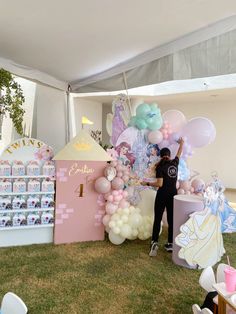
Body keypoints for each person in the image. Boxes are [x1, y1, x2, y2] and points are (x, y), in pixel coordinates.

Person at [141, 138, 184, 256]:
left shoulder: (160, 166)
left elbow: (159, 184)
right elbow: (179, 153)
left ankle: (154, 243)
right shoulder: (175, 163)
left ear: (161, 156)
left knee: (158, 218)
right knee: (171, 220)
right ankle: (170, 244)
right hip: (173, 195)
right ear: (169, 156)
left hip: (162, 195)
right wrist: (182, 143)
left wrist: (147, 183)